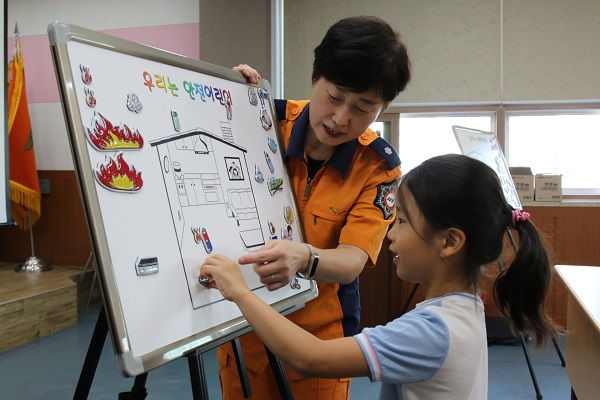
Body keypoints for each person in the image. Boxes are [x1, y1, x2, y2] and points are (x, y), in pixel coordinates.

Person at [201, 153, 558, 400]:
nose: (391, 234)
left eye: (401, 221)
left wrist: (240, 291)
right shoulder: (467, 309)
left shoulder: (429, 332)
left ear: (449, 242)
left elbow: (310, 357)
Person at [217, 15, 411, 400]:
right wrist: (221, 96)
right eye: (335, 97)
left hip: (320, 338)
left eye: (363, 107)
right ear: (314, 77)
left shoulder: (378, 168)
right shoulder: (262, 121)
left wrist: (305, 257)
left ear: (383, 106)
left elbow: (352, 260)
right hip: (245, 329)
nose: (341, 118)